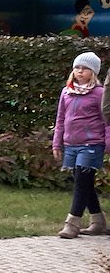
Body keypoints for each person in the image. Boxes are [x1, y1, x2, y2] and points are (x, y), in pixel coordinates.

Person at [55, 52, 109, 237]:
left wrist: (108, 142)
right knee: (84, 183)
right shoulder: (66, 92)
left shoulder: (99, 93)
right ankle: (98, 222)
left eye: (85, 68)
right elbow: (60, 119)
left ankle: (72, 224)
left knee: (81, 183)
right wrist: (57, 143)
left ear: (93, 72)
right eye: (77, 67)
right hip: (71, 144)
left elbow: (107, 120)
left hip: (92, 144)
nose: (80, 71)